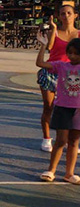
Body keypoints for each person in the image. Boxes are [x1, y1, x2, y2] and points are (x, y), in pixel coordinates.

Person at [36, 37, 80, 183]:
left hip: (78, 110)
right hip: (63, 108)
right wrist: (43, 45)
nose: (72, 56)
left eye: (76, 53)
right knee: (61, 140)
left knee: (74, 141)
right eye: (70, 53)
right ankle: (51, 170)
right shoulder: (61, 66)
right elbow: (40, 63)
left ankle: (69, 173)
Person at [38, 2, 78, 152]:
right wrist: (53, 29)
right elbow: (49, 47)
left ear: (75, 16)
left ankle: (67, 140)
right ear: (58, 17)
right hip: (52, 72)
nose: (66, 16)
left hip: (71, 75)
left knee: (71, 109)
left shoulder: (79, 34)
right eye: (63, 13)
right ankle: (47, 138)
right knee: (49, 107)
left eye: (69, 13)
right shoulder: (53, 31)